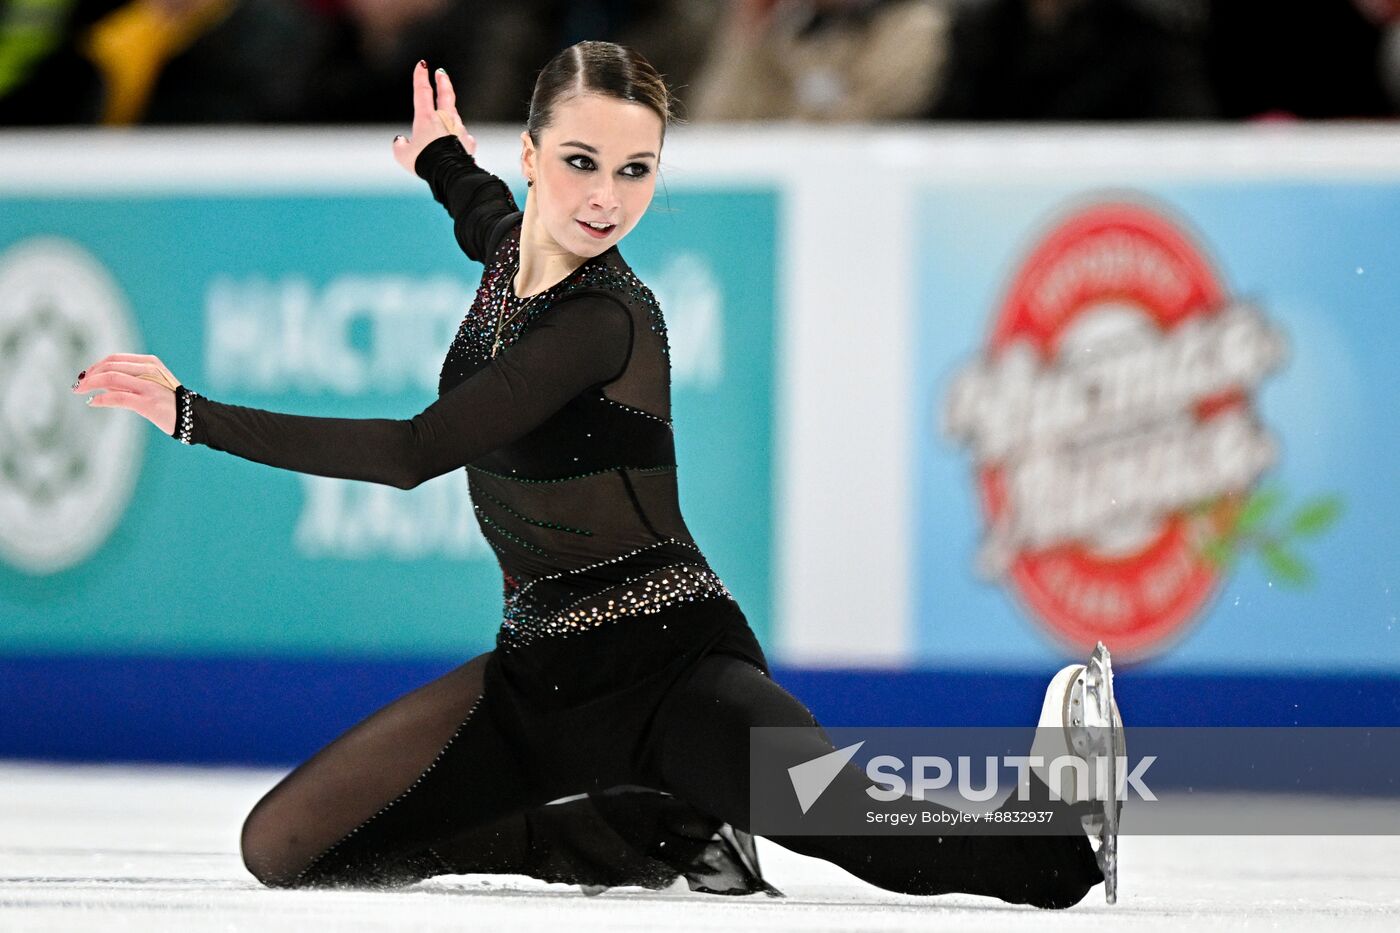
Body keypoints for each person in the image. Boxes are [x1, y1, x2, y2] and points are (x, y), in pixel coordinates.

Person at [71, 41, 1118, 908]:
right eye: (579, 162)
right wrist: (443, 160)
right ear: (531, 156)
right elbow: (489, 221)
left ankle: (1054, 832)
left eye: (634, 170)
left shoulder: (603, 319)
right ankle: (636, 835)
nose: (605, 197)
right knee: (285, 848)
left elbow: (409, 455)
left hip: (669, 669)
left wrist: (189, 415)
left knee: (839, 821)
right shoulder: (511, 257)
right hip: (534, 680)